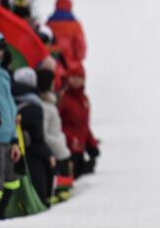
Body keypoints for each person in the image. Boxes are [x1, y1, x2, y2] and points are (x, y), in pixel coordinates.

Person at [12, 66, 55, 207]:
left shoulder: (9, 100)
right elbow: (37, 139)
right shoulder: (34, 106)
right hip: (30, 158)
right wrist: (49, 155)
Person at [37, 68, 73, 203]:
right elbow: (44, 133)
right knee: (59, 188)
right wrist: (58, 145)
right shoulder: (44, 106)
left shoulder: (50, 102)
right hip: (56, 150)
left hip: (58, 148)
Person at [58, 64, 99, 179]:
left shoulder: (84, 99)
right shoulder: (63, 99)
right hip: (67, 150)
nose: (76, 80)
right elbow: (57, 125)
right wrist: (70, 139)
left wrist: (92, 145)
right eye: (73, 77)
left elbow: (84, 125)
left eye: (79, 77)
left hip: (80, 150)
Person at [0, 32, 21, 219]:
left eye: (1, 48)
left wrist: (14, 139)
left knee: (11, 182)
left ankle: (2, 215)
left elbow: (10, 108)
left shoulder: (4, 74)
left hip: (7, 136)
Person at [46, 0, 86, 70]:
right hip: (71, 66)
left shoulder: (48, 24)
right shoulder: (75, 25)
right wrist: (78, 59)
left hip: (52, 64)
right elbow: (81, 48)